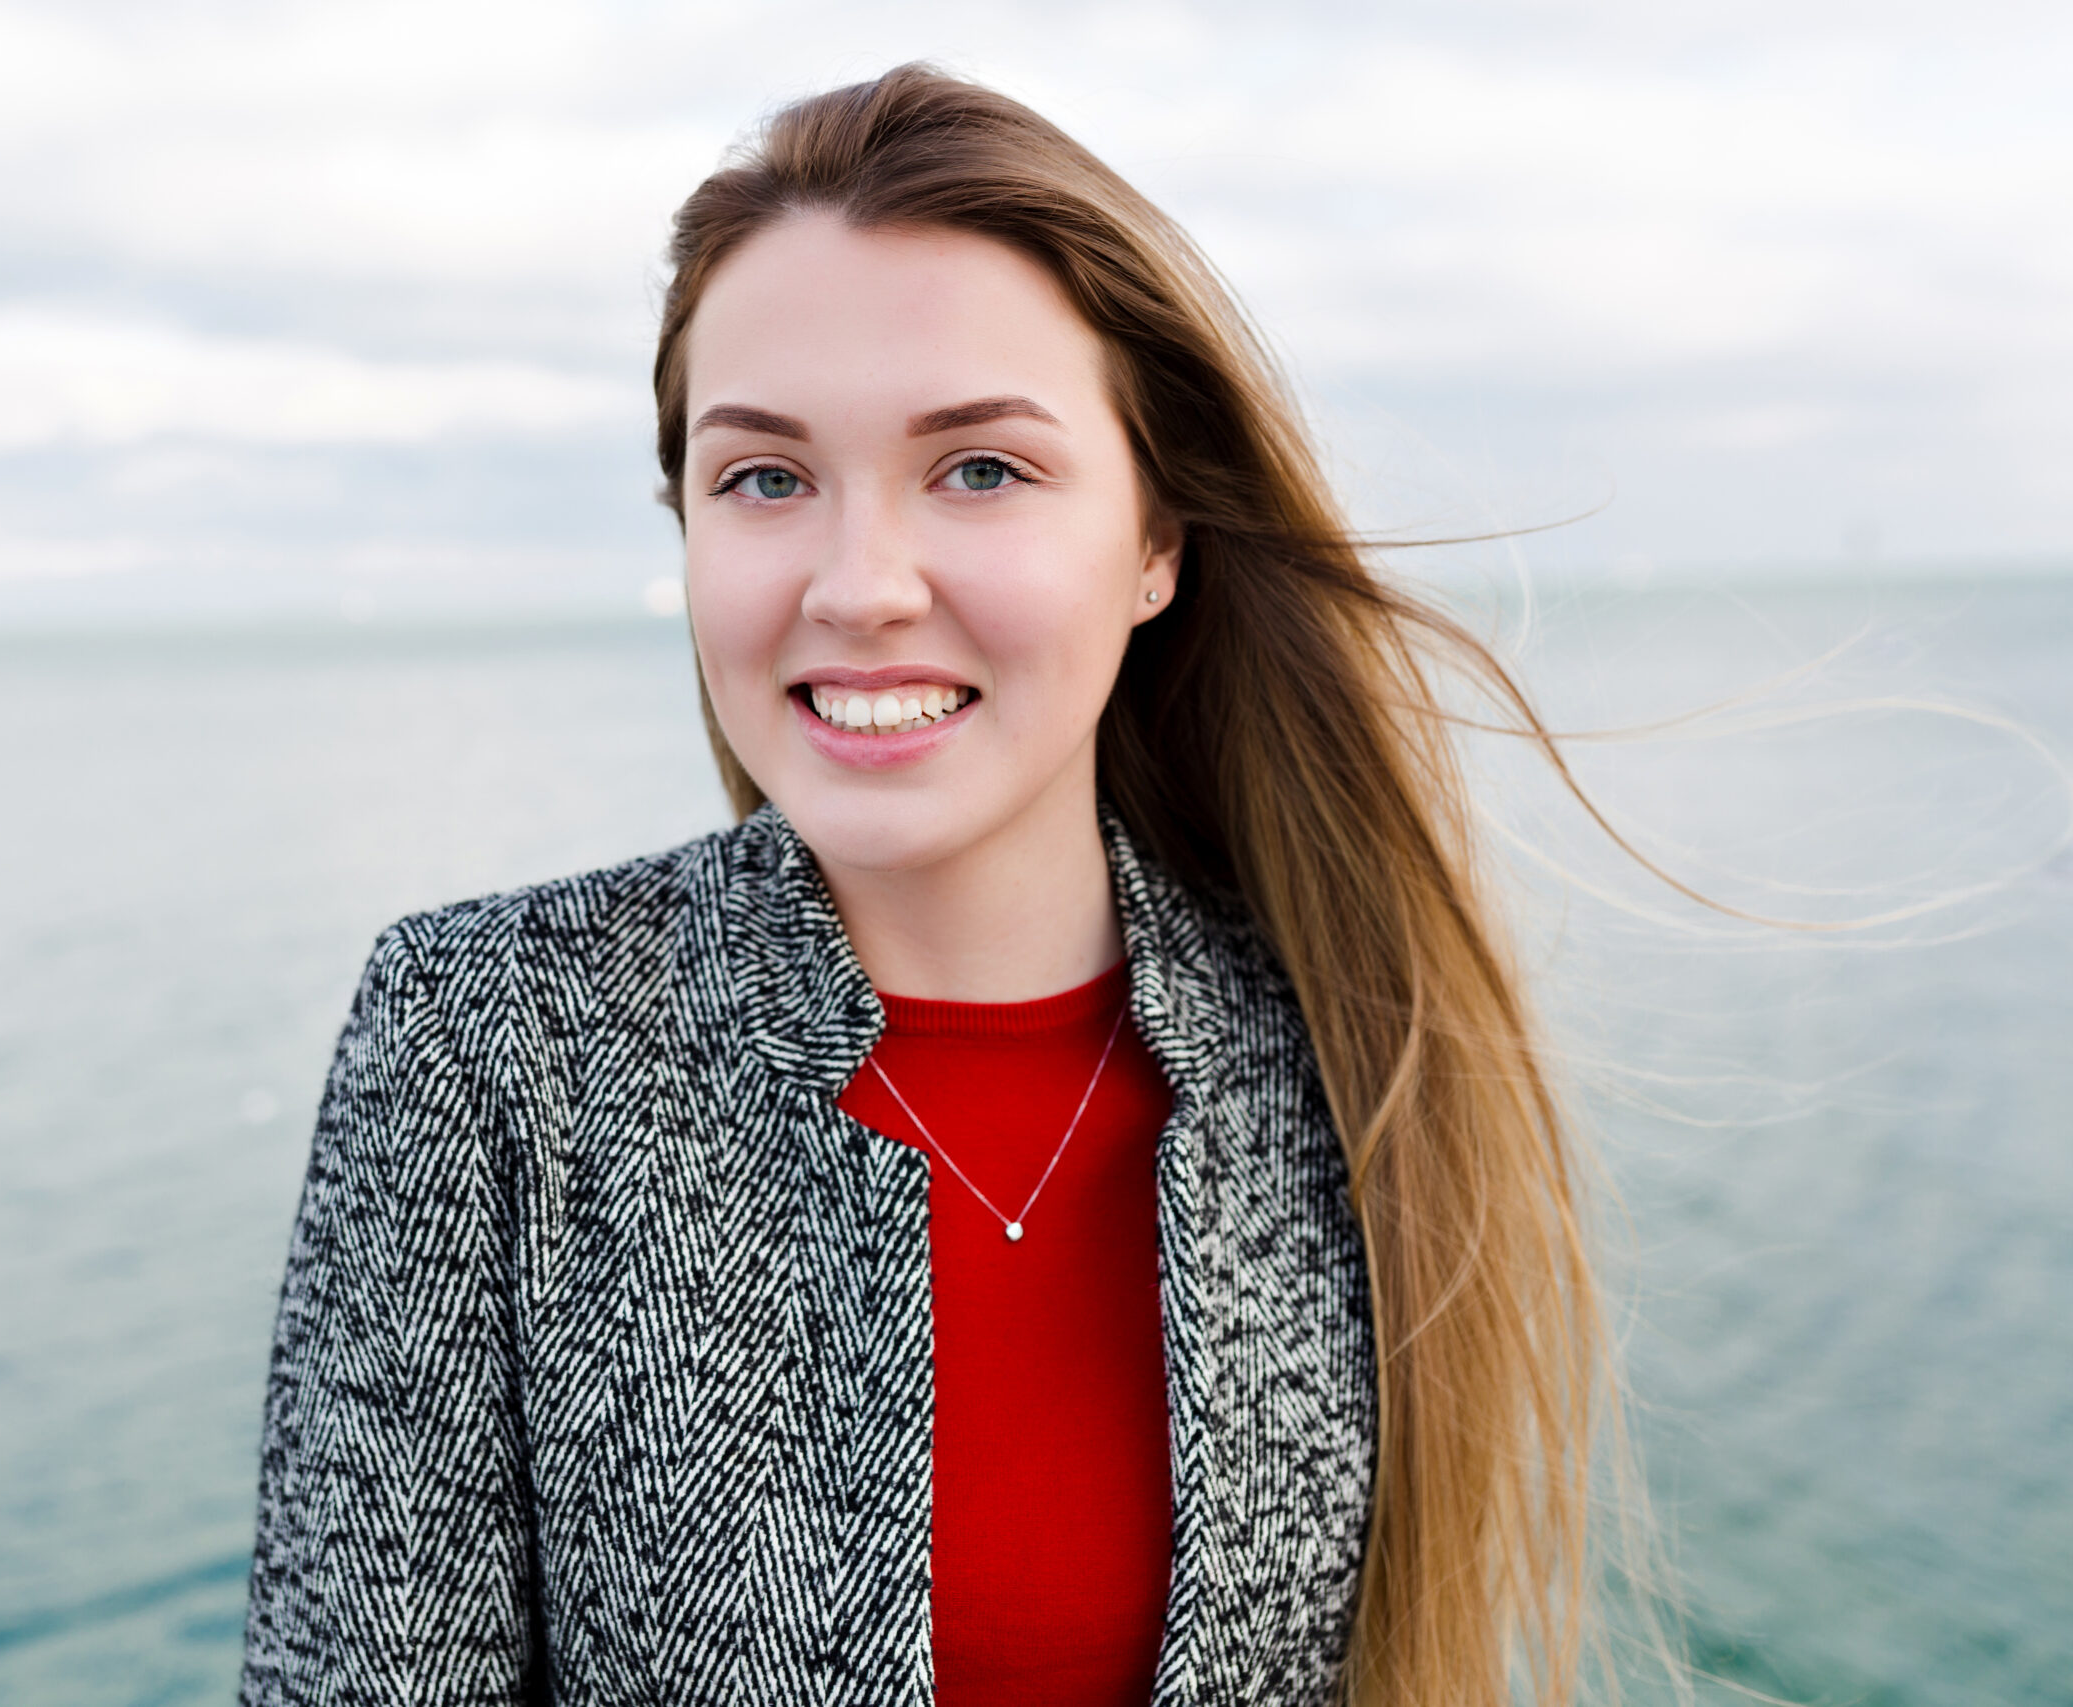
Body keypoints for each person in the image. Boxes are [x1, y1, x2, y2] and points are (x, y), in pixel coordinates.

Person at [240, 64, 1603, 1707]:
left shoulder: (1341, 1035)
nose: (859, 587)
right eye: (765, 478)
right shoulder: (489, 1042)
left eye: (980, 470)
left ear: (1158, 539)